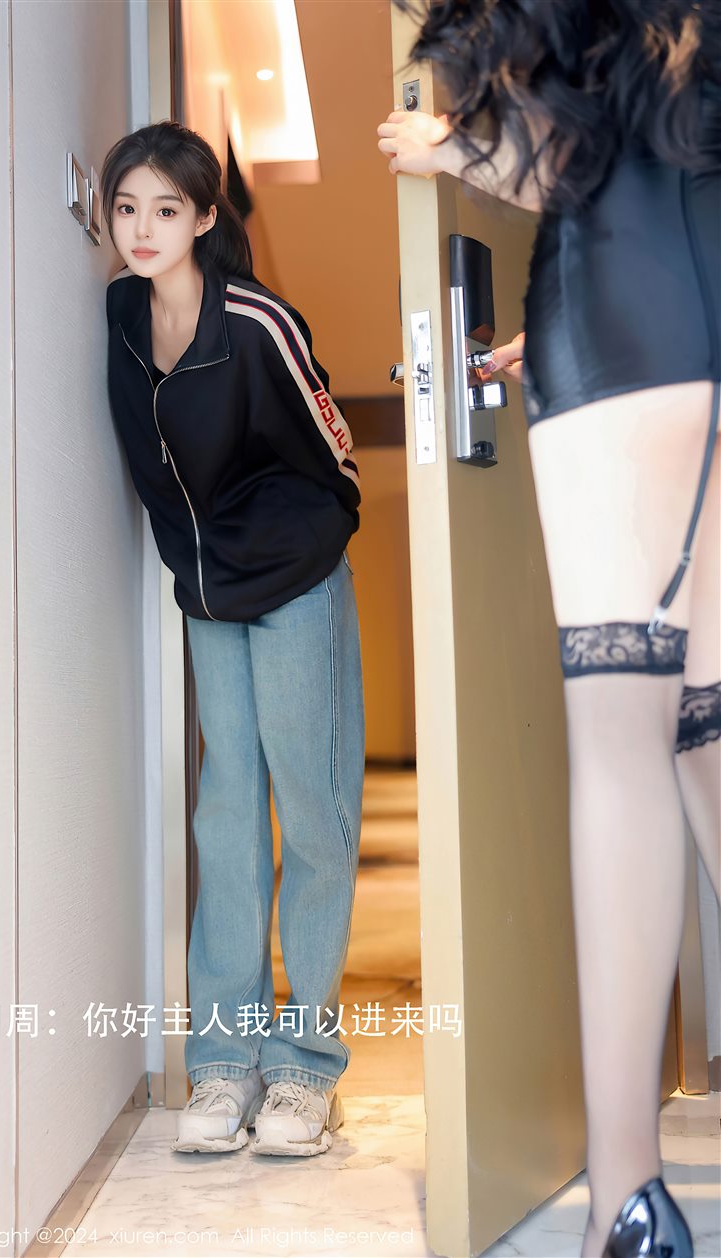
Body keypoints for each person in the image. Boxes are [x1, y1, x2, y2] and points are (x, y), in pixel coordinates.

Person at [377, 2, 719, 1255]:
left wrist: (443, 146)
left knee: (621, 747)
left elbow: (559, 156)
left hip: (622, 324)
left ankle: (626, 1197)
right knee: (705, 730)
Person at [101, 121, 365, 1158]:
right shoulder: (123, 314)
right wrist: (197, 558)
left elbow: (333, 445)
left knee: (313, 811)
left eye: (166, 209)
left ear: (206, 217)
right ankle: (224, 1062)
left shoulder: (255, 319)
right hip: (208, 593)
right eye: (127, 208)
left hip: (294, 580)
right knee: (224, 819)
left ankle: (306, 1073)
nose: (143, 229)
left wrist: (304, 540)